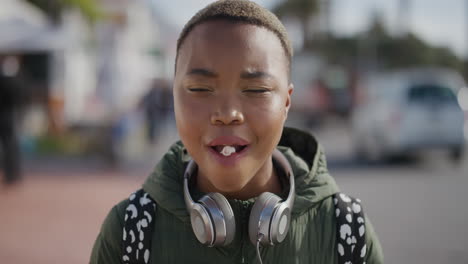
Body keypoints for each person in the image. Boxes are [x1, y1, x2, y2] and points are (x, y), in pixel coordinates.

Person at [90, 1, 384, 263]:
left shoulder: (346, 231)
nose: (228, 113)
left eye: (256, 90)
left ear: (286, 102)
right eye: (200, 89)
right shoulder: (131, 231)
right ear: (174, 98)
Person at [0, 55, 23, 185]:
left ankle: (11, 174)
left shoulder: (3, 81)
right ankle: (13, 174)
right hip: (11, 116)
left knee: (8, 146)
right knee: (11, 145)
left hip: (4, 116)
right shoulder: (17, 81)